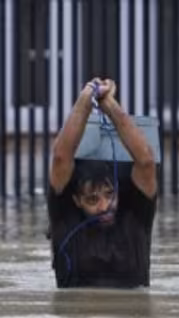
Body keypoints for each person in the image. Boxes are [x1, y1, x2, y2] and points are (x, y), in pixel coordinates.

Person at [47, 78, 157, 288]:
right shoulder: (65, 220)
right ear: (77, 200)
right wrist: (87, 96)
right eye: (92, 199)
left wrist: (108, 103)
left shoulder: (135, 218)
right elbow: (61, 157)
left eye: (109, 194)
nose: (104, 206)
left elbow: (146, 162)